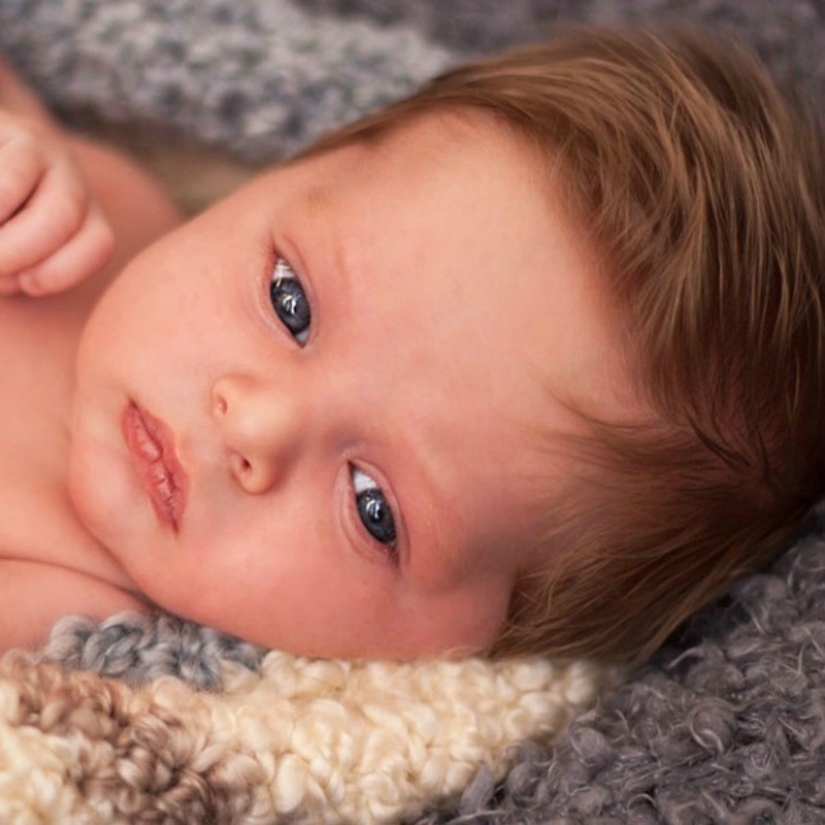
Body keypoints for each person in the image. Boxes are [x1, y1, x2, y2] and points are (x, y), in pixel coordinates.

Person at [0, 27, 822, 662]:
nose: (257, 423)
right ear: (279, 173)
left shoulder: (57, 597)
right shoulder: (97, 211)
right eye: (290, 303)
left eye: (373, 506)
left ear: (463, 648)